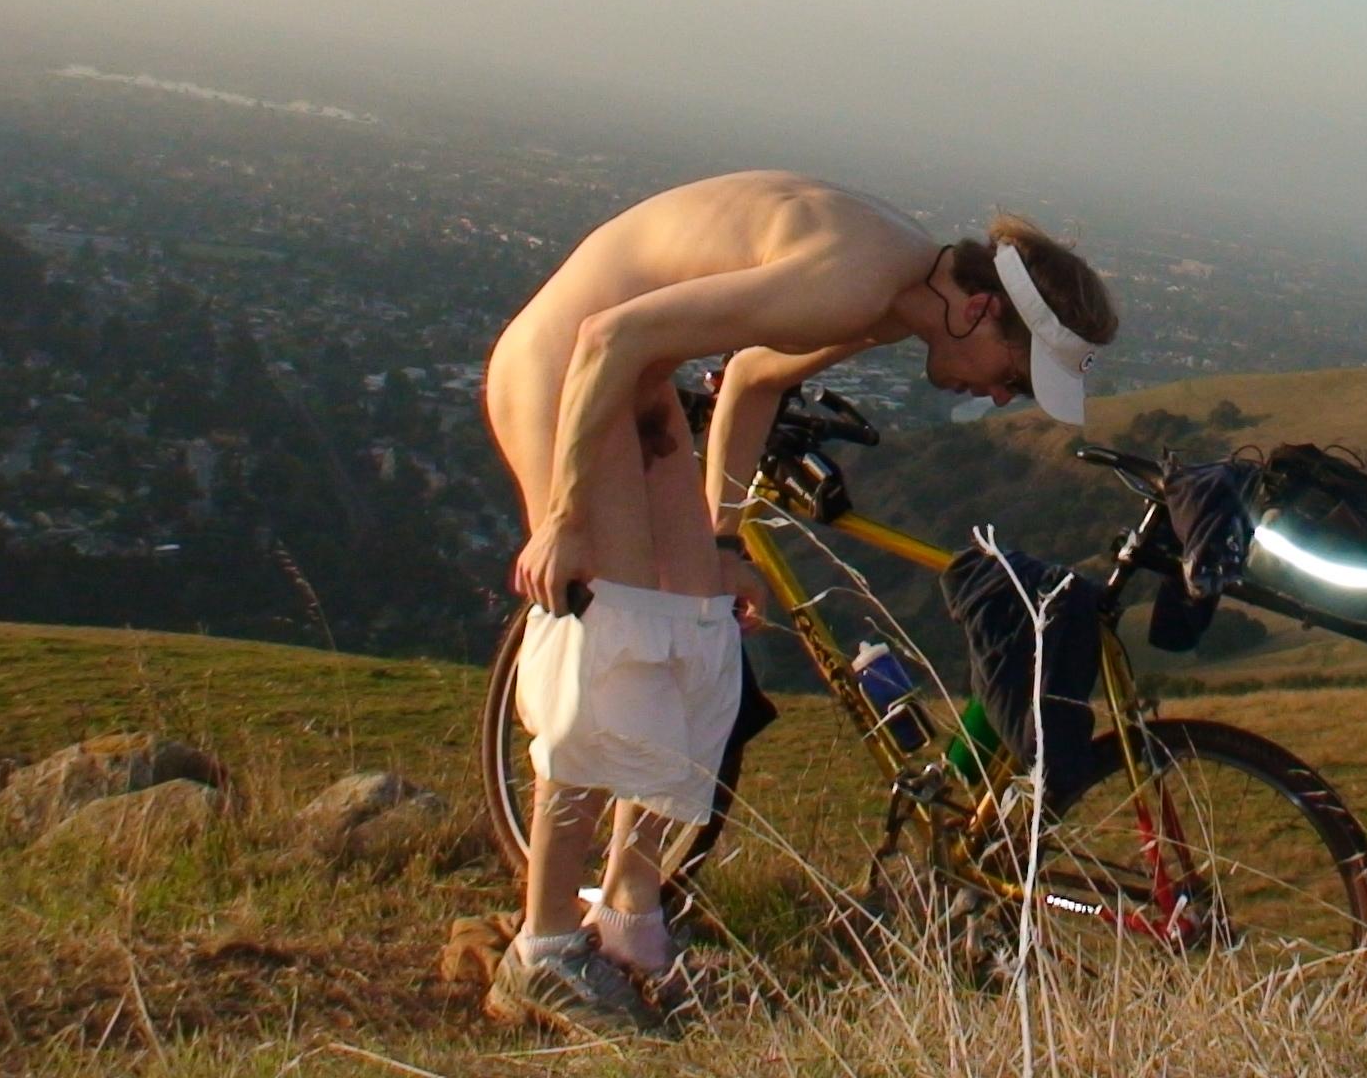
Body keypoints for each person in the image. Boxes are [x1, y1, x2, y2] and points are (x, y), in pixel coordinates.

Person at [479, 170, 1117, 1037]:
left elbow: (750, 381)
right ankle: (544, 951)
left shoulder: (893, 292)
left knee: (696, 645)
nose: (1004, 395)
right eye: (1017, 372)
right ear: (978, 310)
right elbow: (607, 332)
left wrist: (724, 543)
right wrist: (563, 518)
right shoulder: (857, 278)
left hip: (630, 380)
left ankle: (630, 924)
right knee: (619, 646)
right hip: (571, 364)